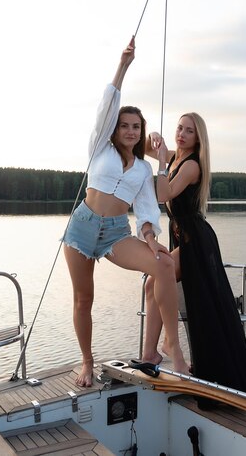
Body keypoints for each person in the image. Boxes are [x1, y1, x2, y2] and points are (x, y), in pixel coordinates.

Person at [63, 37, 189, 387]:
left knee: (163, 264)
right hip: (82, 227)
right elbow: (108, 104)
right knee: (83, 299)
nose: (131, 131)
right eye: (125, 125)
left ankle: (170, 348)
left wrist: (151, 241)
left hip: (117, 232)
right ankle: (87, 362)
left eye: (136, 127)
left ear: (141, 132)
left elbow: (147, 212)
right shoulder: (99, 148)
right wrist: (123, 64)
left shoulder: (141, 171)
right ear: (115, 129)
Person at [143, 112, 246, 396]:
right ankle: (151, 354)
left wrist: (159, 162)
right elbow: (143, 148)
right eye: (179, 128)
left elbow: (164, 194)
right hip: (183, 236)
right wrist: (152, 139)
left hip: (196, 240)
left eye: (189, 131)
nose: (181, 134)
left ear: (197, 138)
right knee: (151, 284)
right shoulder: (175, 157)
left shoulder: (192, 165)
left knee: (170, 287)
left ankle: (166, 346)